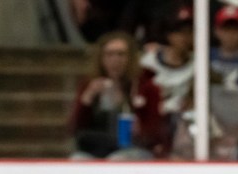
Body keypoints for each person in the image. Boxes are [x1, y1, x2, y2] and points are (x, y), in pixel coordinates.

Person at [69, 30, 167, 160]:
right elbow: (74, 129)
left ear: (130, 58)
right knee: (78, 159)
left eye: (121, 54)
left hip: (133, 147)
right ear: (101, 58)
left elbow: (156, 131)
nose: (115, 60)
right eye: (109, 54)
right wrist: (87, 99)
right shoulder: (90, 85)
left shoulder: (146, 87)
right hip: (98, 146)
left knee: (117, 160)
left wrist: (138, 125)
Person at [210, 6, 238, 88]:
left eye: (235, 29)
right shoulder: (208, 56)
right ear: (216, 31)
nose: (231, 34)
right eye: (226, 29)